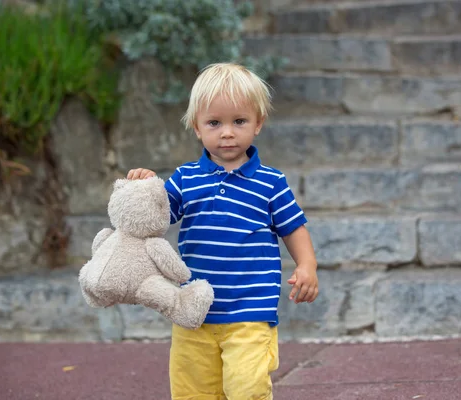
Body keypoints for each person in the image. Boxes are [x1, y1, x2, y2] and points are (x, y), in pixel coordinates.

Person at [126, 62, 319, 400]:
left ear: (258, 123)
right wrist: (146, 187)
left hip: (250, 312)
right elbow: (156, 217)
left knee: (247, 388)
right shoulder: (186, 179)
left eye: (239, 121)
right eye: (214, 123)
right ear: (197, 128)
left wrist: (307, 266)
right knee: (192, 391)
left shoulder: (270, 183)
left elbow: (294, 227)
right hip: (193, 311)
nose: (227, 132)